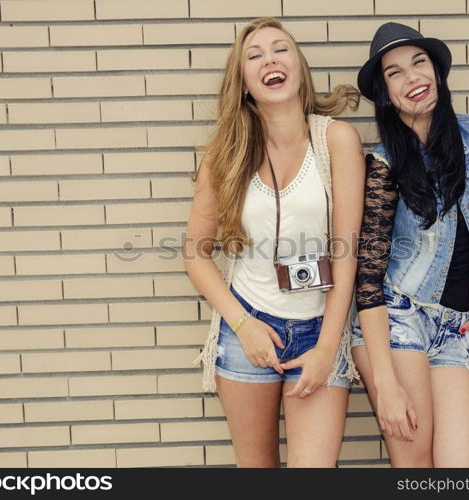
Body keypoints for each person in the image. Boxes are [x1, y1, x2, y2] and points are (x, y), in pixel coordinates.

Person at [184, 17, 365, 467]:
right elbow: (195, 253)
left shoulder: (336, 139)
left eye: (280, 49)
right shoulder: (224, 154)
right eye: (255, 55)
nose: (270, 60)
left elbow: (347, 255)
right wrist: (243, 326)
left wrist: (326, 348)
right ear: (244, 82)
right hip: (249, 327)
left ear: (298, 67)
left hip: (318, 329)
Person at [351, 22, 469, 467]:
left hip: (453, 328)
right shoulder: (385, 163)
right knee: (416, 467)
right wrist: (384, 383)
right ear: (386, 95)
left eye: (419, 63)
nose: (412, 79)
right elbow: (367, 274)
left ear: (437, 72)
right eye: (395, 73)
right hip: (399, 319)